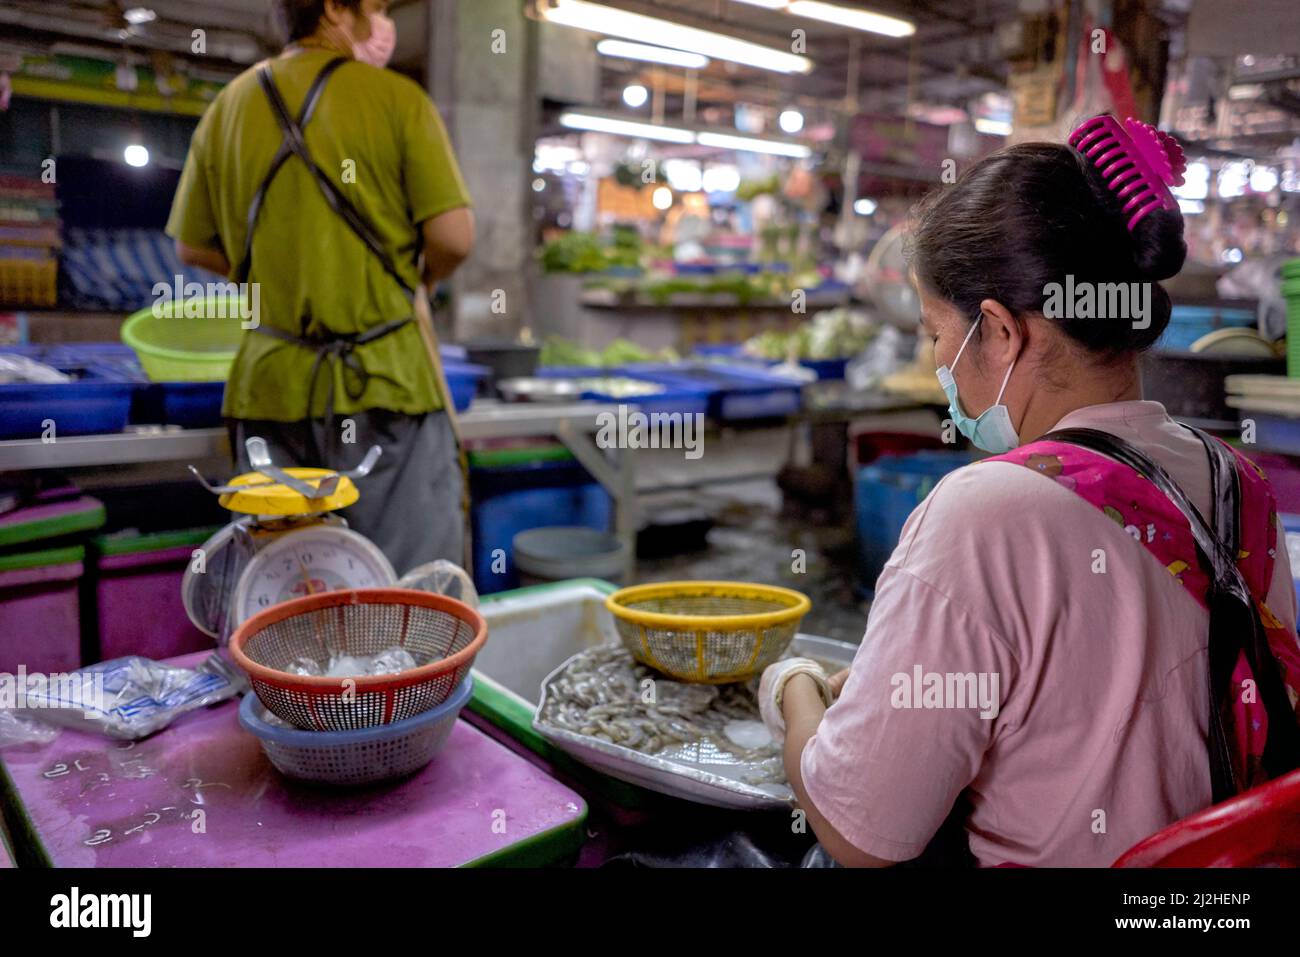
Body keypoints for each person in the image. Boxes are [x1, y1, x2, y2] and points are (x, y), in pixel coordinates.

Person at [760, 114, 1300, 867]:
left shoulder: (983, 513)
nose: (941, 363)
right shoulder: (1239, 482)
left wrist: (790, 689)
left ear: (1001, 331)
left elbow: (860, 834)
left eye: (934, 333)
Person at [166, 0, 474, 576]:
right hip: (386, 385)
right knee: (410, 589)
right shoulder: (396, 99)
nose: (382, 21)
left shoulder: (226, 108)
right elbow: (454, 238)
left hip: (271, 391)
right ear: (335, 7)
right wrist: (414, 280)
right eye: (376, 7)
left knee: (289, 589)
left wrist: (279, 272)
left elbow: (192, 246)